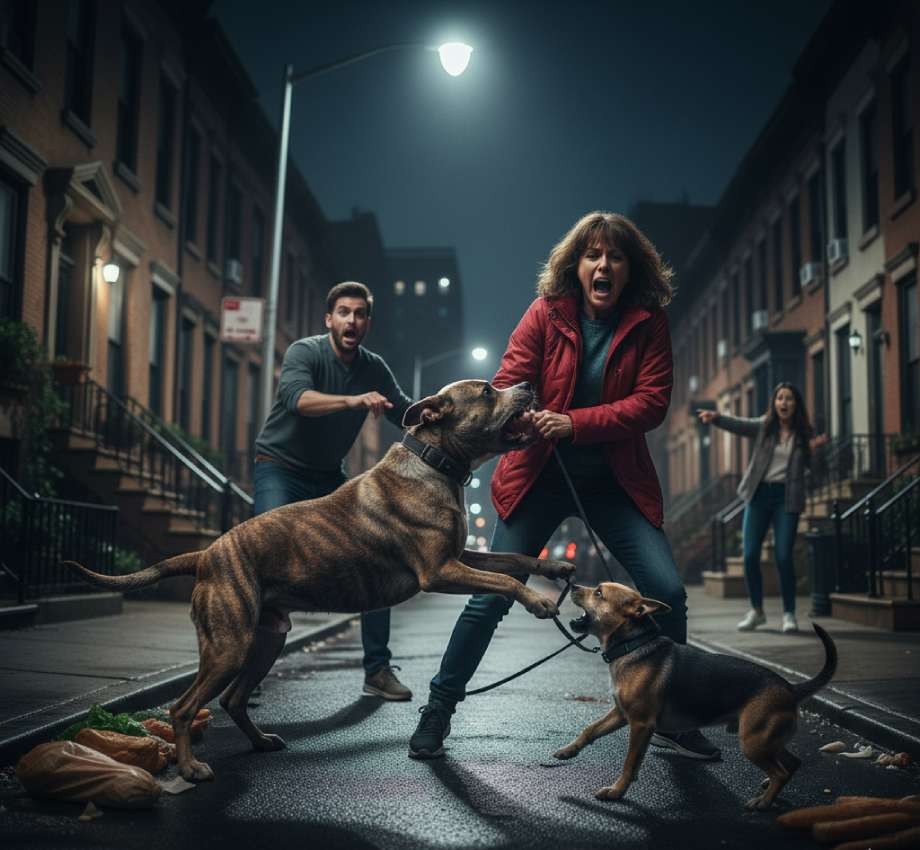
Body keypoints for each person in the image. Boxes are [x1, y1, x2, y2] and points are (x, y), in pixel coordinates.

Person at [408, 211, 720, 761]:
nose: (603, 265)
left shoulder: (649, 322)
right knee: (487, 599)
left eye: (615, 256)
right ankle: (438, 709)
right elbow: (508, 382)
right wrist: (519, 419)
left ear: (630, 268)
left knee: (666, 593)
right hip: (538, 478)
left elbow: (651, 403)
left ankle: (671, 714)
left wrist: (576, 422)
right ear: (576, 266)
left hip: (615, 483)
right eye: (592, 255)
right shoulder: (545, 314)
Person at [253, 281, 414, 700]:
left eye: (360, 314)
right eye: (344, 312)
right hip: (280, 470)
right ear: (329, 319)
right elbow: (297, 400)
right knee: (259, 560)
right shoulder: (304, 352)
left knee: (375, 556)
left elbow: (408, 413)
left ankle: (377, 671)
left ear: (367, 323)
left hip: (327, 477)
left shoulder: (373, 366)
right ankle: (243, 672)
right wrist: (354, 401)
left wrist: (449, 411)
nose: (352, 320)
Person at [697, 383, 827, 634]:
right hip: (758, 495)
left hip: (786, 499)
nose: (784, 403)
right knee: (749, 555)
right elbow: (740, 424)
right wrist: (716, 418)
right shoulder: (765, 427)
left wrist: (817, 452)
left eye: (789, 398)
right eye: (780, 398)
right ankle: (756, 611)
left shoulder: (804, 436)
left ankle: (789, 613)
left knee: (783, 556)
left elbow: (818, 475)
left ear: (796, 404)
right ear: (775, 403)